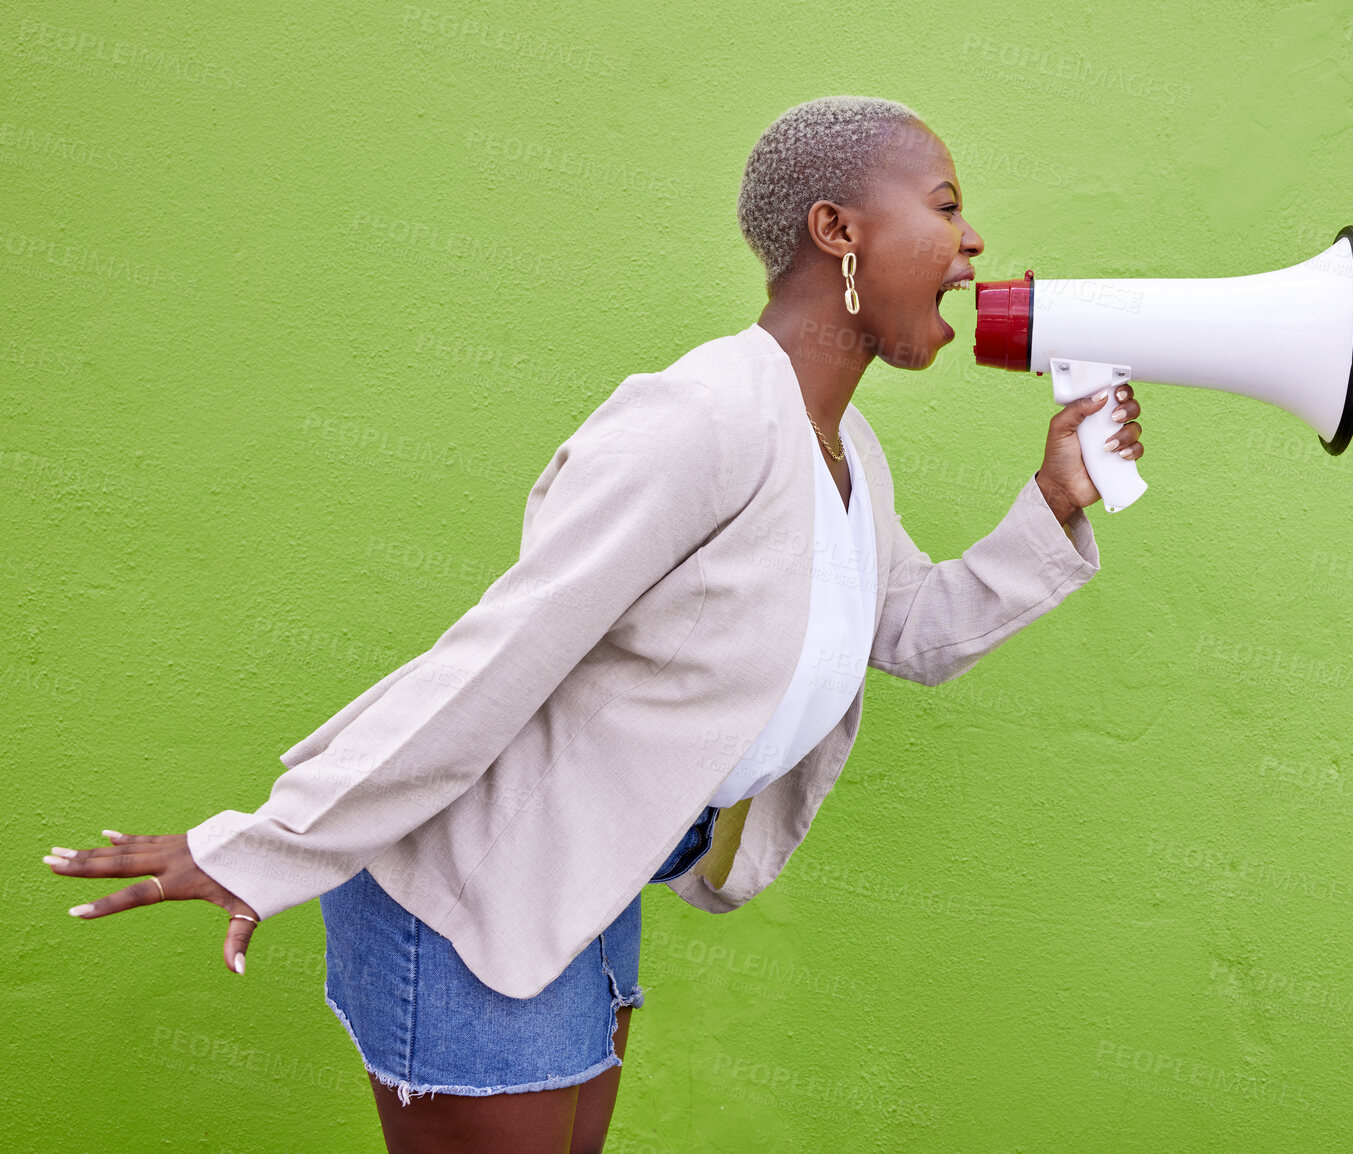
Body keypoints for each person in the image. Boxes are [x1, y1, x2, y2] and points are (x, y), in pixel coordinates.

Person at [42, 95, 1144, 1153]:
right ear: (837, 232)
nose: (973, 240)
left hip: (591, 879)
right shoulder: (702, 417)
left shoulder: (848, 453)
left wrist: (1054, 499)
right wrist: (263, 847)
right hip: (473, 894)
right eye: (946, 204)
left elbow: (913, 630)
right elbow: (498, 657)